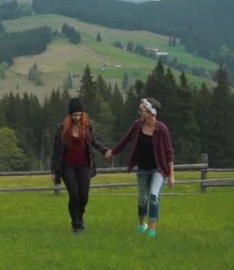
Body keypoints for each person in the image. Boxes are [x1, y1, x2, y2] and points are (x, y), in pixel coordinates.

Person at [105, 98, 174, 237]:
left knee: (154, 196)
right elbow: (125, 140)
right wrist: (113, 152)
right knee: (142, 199)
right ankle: (142, 224)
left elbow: (169, 152)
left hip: (158, 170)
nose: (140, 112)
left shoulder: (162, 129)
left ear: (150, 112)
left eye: (142, 110)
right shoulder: (137, 125)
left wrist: (171, 175)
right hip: (142, 169)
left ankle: (152, 230)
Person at [51, 98, 109, 233]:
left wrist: (105, 151)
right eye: (75, 115)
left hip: (84, 165)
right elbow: (56, 150)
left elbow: (94, 142)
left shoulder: (88, 126)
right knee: (74, 195)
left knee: (84, 195)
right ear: (70, 115)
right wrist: (54, 170)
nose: (77, 117)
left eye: (80, 114)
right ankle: (76, 224)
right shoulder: (62, 128)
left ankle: (79, 216)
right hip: (67, 166)